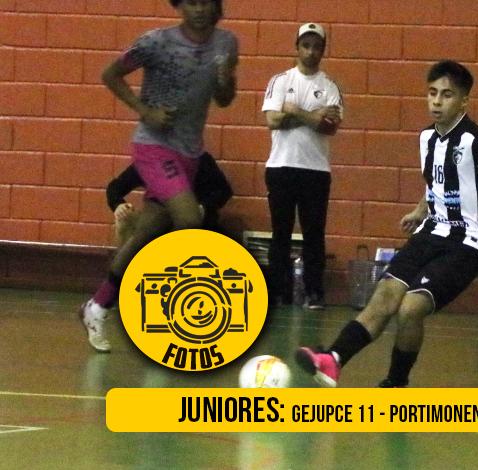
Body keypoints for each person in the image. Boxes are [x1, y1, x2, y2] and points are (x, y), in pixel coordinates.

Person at [295, 60, 478, 387]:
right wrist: (421, 210)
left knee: (410, 308)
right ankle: (333, 359)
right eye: (432, 93)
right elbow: (437, 181)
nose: (437, 101)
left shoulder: (476, 142)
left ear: (463, 101)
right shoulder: (426, 138)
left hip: (468, 243)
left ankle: (396, 382)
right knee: (384, 295)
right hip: (431, 232)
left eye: (447, 95)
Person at [79, 0, 238, 353]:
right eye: (191, 2)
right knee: (189, 220)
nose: (199, 10)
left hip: (190, 153)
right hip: (154, 146)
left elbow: (225, 99)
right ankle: (169, 312)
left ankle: (97, 307)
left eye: (205, 2)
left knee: (143, 236)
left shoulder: (226, 43)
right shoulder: (157, 42)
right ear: (180, 5)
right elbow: (110, 74)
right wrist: (145, 111)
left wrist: (225, 80)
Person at [262, 22, 343, 310]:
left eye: (316, 47)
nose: (310, 52)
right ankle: (279, 292)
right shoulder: (280, 81)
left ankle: (314, 292)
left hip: (316, 171)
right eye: (306, 46)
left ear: (323, 50)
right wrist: (314, 116)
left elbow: (330, 126)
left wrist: (295, 110)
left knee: (314, 234)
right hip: (281, 166)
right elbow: (272, 120)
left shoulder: (330, 86)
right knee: (280, 232)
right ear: (297, 47)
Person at [107, 151, 233, 243]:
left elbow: (224, 190)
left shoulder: (201, 159)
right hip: (160, 221)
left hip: (196, 221)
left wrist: (203, 207)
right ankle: (129, 267)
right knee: (125, 217)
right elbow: (115, 187)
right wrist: (118, 205)